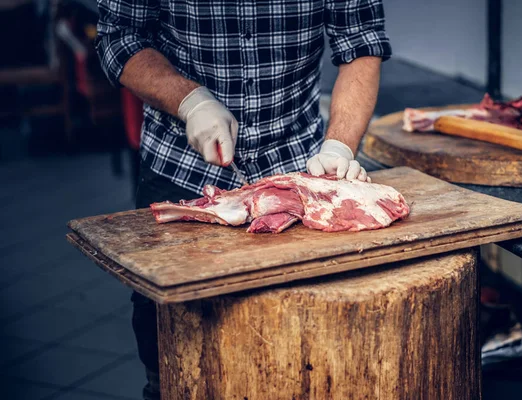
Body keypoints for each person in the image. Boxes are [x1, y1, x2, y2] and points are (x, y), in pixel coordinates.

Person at [95, 0, 391, 398]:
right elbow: (119, 38)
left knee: (302, 359)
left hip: (300, 173)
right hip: (182, 173)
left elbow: (361, 41)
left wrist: (338, 147)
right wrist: (189, 100)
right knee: (174, 367)